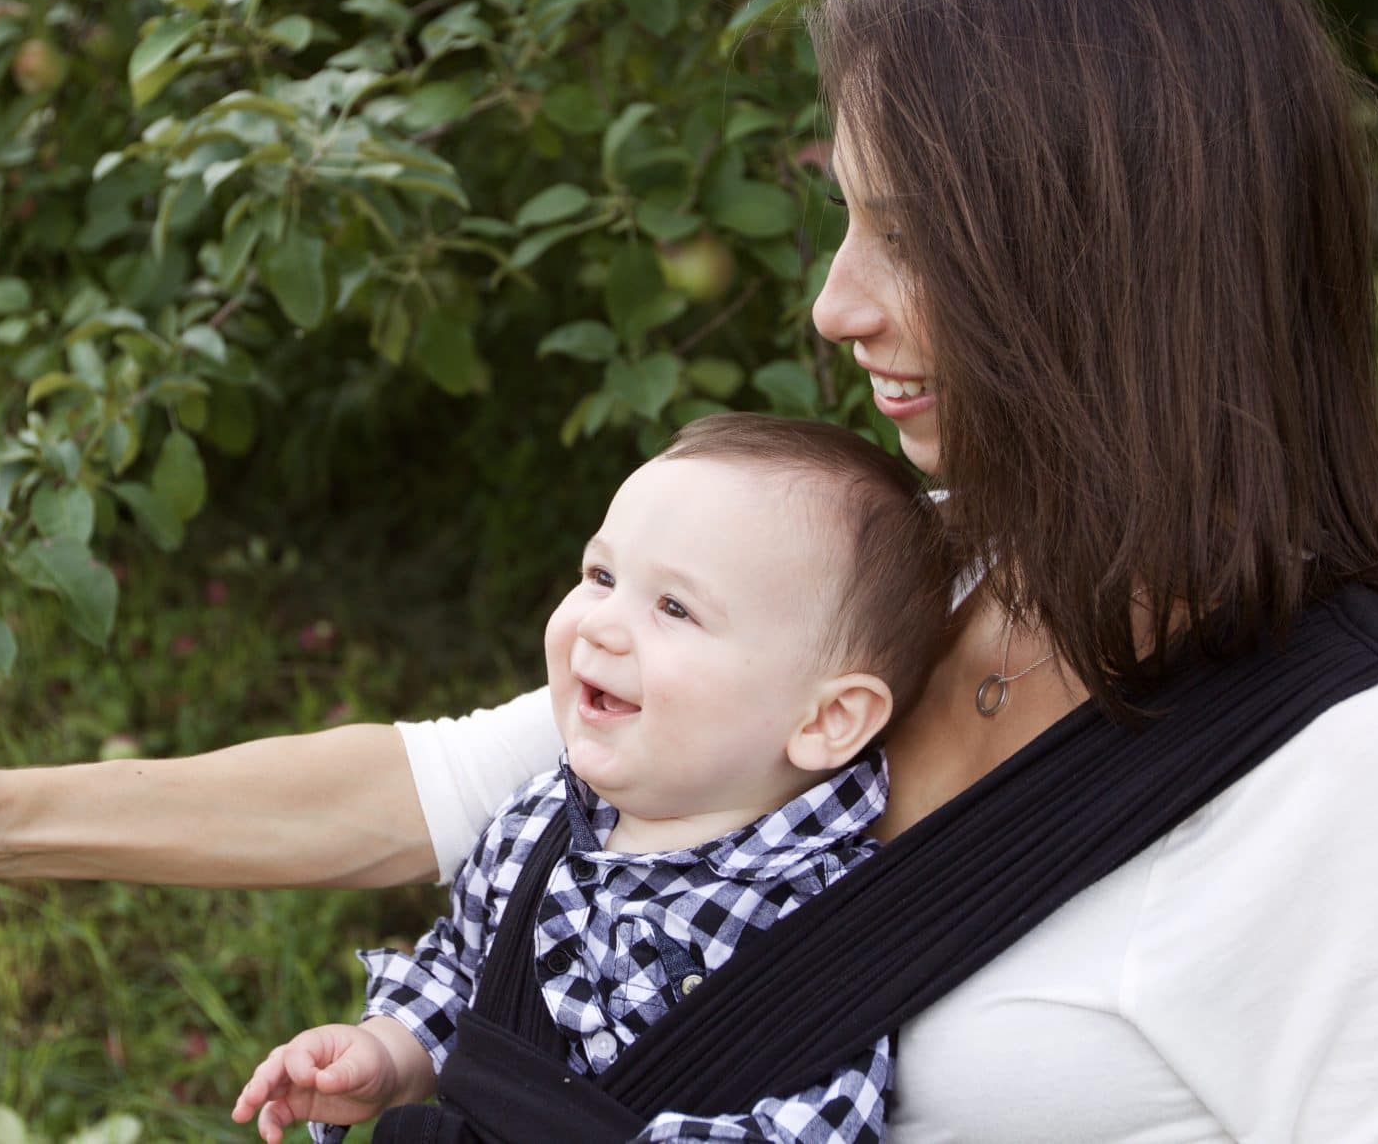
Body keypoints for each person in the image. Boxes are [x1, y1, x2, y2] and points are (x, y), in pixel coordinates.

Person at [0, 0, 1378, 1139]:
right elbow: (448, 783)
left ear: (1100, 258)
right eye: (841, 219)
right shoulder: (936, 566)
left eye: (904, 236)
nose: (831, 303)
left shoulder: (1354, 774)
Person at [232, 412, 961, 1143]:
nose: (601, 624)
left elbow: (816, 1125)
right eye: (601, 575)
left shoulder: (828, 924)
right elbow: (460, 970)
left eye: (674, 607)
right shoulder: (538, 821)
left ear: (828, 719)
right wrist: (390, 1053)